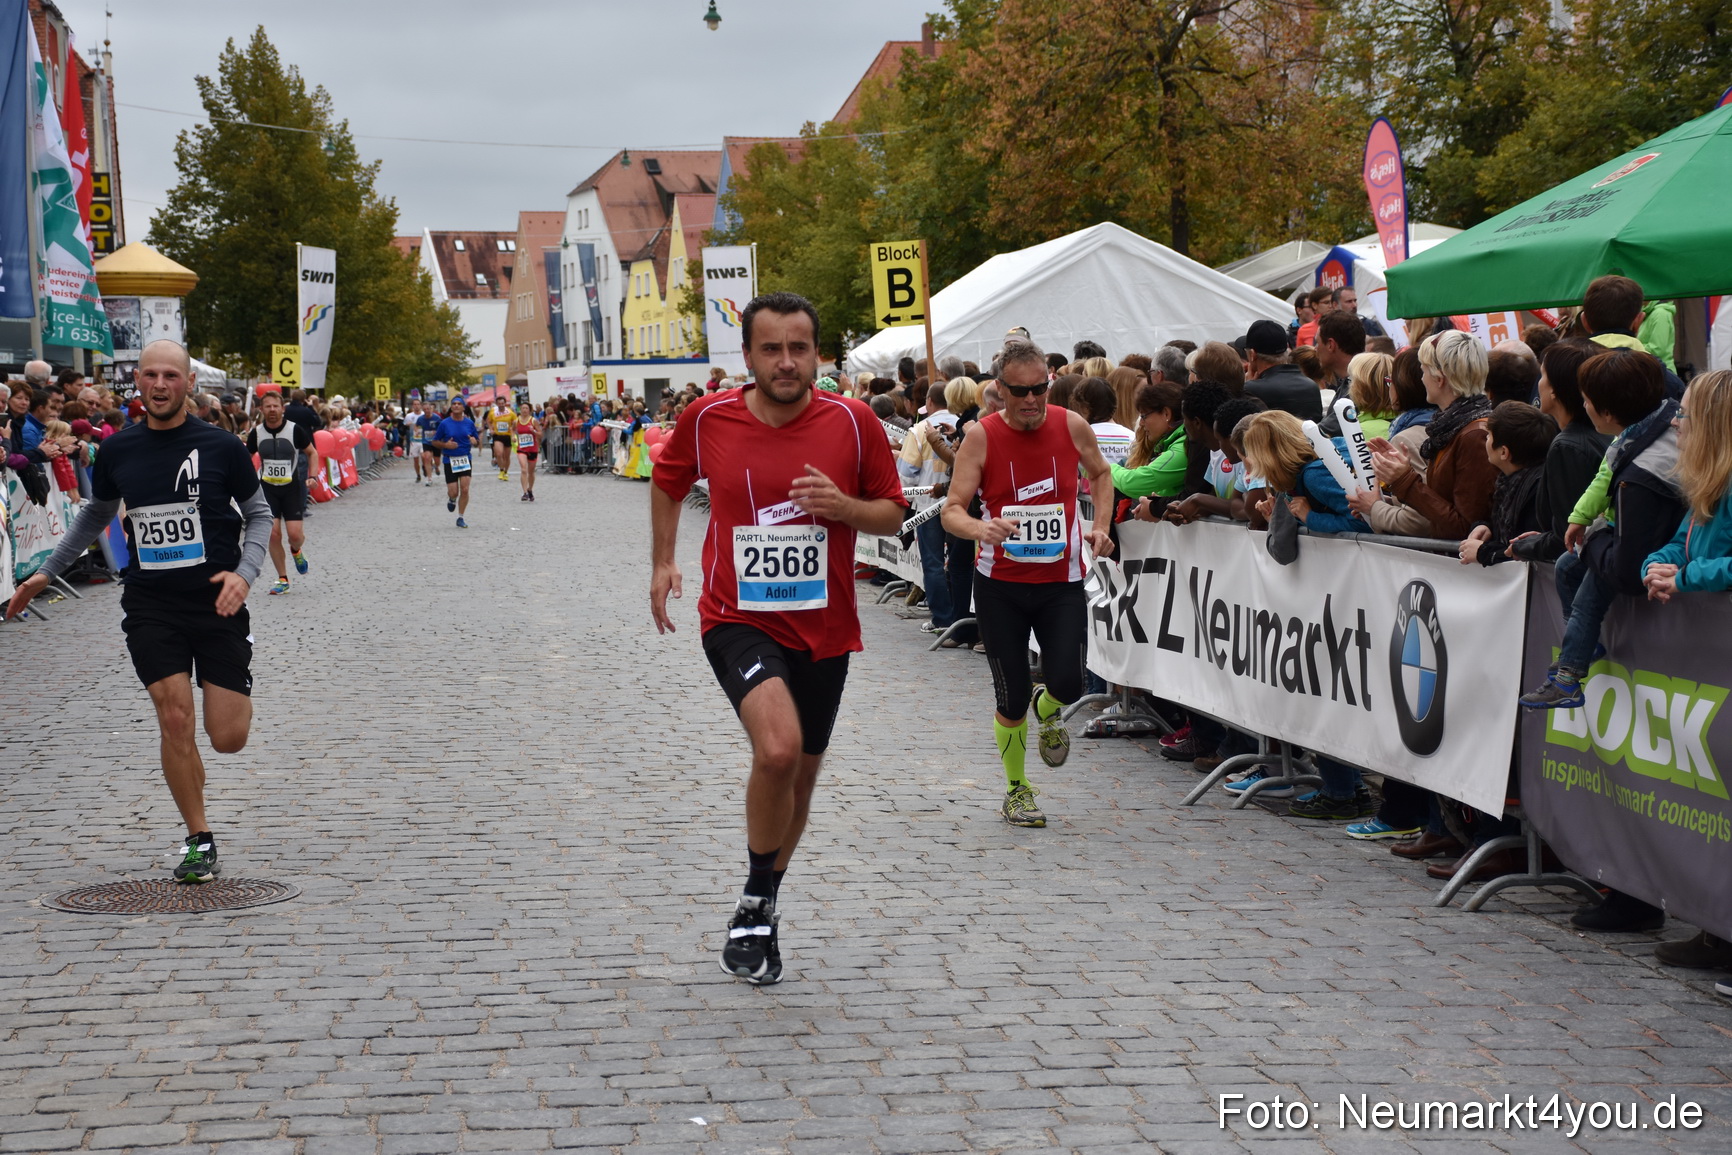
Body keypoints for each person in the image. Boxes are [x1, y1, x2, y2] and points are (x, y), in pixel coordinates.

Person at [650, 292, 906, 986]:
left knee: (805, 774)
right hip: (738, 615)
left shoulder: (854, 423)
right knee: (779, 749)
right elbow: (668, 479)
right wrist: (664, 559)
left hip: (825, 629)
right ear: (749, 356)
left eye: (799, 347)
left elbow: (890, 514)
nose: (787, 361)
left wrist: (845, 508)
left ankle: (761, 900)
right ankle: (758, 899)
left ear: (818, 353)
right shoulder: (708, 418)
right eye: (772, 348)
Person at [5, 341, 272, 883]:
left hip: (217, 602)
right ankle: (199, 838)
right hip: (150, 602)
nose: (158, 383)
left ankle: (227, 701)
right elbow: (91, 518)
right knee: (174, 717)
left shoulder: (220, 446)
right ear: (139, 383)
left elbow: (260, 516)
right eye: (149, 373)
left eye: (170, 375)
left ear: (187, 382)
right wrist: (43, 573)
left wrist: (244, 575)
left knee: (227, 737)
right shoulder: (120, 450)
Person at [940, 339, 1115, 829]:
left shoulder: (1070, 424)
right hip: (1001, 586)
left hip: (1061, 580)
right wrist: (980, 528)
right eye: (1021, 392)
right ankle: (1017, 790)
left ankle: (1049, 707)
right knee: (1010, 696)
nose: (1033, 400)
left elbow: (1102, 475)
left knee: (1067, 681)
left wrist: (1100, 524)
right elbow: (952, 510)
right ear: (1000, 390)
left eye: (1041, 388)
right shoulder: (981, 437)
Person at [1520, 348, 1683, 710]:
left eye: (1588, 399)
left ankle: (1567, 678)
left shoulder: (1641, 478)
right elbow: (1606, 473)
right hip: (1615, 536)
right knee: (1565, 568)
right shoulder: (1655, 420)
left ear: (1606, 412)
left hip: (1625, 547)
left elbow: (1627, 572)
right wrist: (1582, 519)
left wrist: (1592, 537)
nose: (1584, 405)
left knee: (1584, 606)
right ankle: (1580, 646)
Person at [1368, 330, 1497, 540]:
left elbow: (1465, 527)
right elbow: (1445, 505)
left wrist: (1405, 480)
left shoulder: (1473, 435)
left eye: (1423, 371)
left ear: (1439, 378)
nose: (1421, 378)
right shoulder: (1454, 427)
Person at [1459, 403, 1557, 566]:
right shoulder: (1509, 481)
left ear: (1504, 452)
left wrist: (1484, 552)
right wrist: (1487, 528)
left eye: (1489, 435)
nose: (1486, 440)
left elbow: (1528, 552)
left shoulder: (1537, 490)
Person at [245, 391, 315, 594]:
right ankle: (282, 578)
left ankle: (296, 550)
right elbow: (245, 457)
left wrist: (314, 476)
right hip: (267, 488)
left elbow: (312, 452)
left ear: (282, 409)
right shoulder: (256, 433)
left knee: (295, 535)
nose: (272, 410)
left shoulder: (295, 430)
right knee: (273, 534)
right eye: (268, 406)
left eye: (276, 406)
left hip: (292, 488)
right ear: (261, 409)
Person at [1242, 320, 1323, 421]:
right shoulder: (1311, 386)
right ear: (1287, 349)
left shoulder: (1250, 389)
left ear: (1252, 354)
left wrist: (1248, 385)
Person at [431, 399, 479, 528]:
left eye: (459, 404)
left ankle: (460, 517)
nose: (456, 406)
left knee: (465, 489)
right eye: (454, 404)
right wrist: (445, 445)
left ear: (463, 408)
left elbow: (476, 440)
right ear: (451, 407)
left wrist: (475, 441)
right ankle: (452, 499)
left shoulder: (469, 423)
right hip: (449, 459)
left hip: (465, 459)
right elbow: (435, 442)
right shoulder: (444, 424)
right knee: (453, 492)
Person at [514, 401, 539, 502]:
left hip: (533, 449)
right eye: (523, 408)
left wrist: (534, 431)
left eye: (526, 408)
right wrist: (513, 437)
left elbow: (540, 433)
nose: (524, 410)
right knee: (524, 469)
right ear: (520, 409)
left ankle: (530, 489)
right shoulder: (516, 421)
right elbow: (512, 430)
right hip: (522, 449)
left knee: (531, 472)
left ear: (529, 410)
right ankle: (524, 493)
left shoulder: (533, 421)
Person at [403, 399, 432, 484]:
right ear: (412, 406)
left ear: (421, 405)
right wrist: (410, 424)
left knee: (424, 457)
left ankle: (424, 466)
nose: (416, 406)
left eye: (418, 404)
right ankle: (418, 475)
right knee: (415, 459)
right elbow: (405, 425)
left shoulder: (424, 415)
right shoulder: (409, 415)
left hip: (423, 440)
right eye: (415, 404)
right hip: (414, 440)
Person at [488, 397, 516, 480]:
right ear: (497, 404)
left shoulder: (510, 412)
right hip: (498, 435)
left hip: (507, 436)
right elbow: (488, 421)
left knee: (506, 457)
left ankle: (506, 472)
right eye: (499, 403)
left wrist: (513, 434)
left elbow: (515, 423)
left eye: (502, 403)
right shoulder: (493, 412)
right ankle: (501, 470)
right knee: (499, 454)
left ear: (505, 403)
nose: (501, 405)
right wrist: (491, 429)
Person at [417, 402, 442, 486]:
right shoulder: (420, 419)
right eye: (424, 409)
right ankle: (429, 478)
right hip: (426, 441)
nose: (426, 411)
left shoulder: (437, 418)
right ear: (423, 410)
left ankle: (436, 466)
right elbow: (417, 427)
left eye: (428, 409)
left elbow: (442, 428)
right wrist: (417, 431)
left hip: (436, 441)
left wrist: (437, 433)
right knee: (427, 457)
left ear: (431, 408)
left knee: (437, 461)